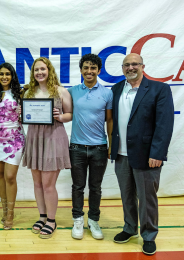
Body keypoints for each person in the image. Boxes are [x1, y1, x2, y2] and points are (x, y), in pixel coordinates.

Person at [110, 53, 174, 255]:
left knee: (147, 198)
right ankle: (130, 228)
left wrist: (157, 153)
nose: (131, 67)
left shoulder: (159, 89)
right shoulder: (116, 89)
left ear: (143, 66)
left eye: (135, 64)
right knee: (127, 195)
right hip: (121, 154)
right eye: (127, 65)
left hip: (147, 155)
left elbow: (164, 125)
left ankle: (149, 235)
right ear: (122, 68)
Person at [23, 57, 72, 239]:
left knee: (48, 184)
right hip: (35, 138)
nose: (40, 73)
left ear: (49, 70)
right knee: (37, 183)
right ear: (33, 73)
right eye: (36, 70)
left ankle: (51, 220)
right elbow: (25, 114)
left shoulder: (61, 91)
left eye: (43, 69)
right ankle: (42, 216)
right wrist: (23, 113)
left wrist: (60, 116)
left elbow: (70, 115)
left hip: (53, 138)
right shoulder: (28, 92)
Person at [68, 54, 113, 240]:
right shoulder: (71, 91)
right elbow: (51, 93)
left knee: (95, 187)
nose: (89, 71)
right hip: (77, 147)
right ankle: (77, 219)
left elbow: (109, 120)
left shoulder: (107, 93)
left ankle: (93, 220)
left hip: (99, 148)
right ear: (80, 70)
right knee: (78, 186)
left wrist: (110, 144)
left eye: (93, 68)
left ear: (99, 71)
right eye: (86, 67)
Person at [0, 63, 25, 230]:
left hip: (15, 140)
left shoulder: (20, 93)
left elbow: (27, 114)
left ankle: (10, 213)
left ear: (12, 76)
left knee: (10, 176)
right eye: (1, 74)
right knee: (0, 175)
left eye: (8, 74)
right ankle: (4, 210)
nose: (4, 77)